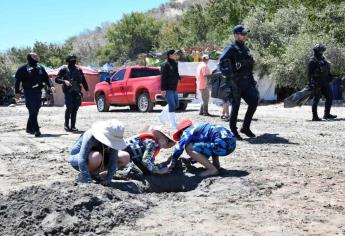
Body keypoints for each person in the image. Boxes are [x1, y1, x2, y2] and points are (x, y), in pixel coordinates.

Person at [219, 25, 259, 140]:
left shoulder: (246, 49)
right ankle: (233, 131)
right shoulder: (230, 48)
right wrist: (230, 79)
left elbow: (249, 66)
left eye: (246, 34)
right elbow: (222, 63)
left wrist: (252, 80)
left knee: (254, 101)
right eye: (243, 34)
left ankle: (245, 128)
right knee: (235, 106)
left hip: (247, 82)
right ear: (236, 35)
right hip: (235, 83)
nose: (245, 36)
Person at [167, 119, 236, 177]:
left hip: (223, 147)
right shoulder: (201, 127)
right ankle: (216, 165)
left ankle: (212, 170)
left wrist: (173, 159)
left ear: (182, 130)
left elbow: (179, 147)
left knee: (188, 148)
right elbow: (207, 149)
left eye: (180, 135)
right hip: (232, 144)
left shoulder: (188, 131)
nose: (180, 137)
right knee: (211, 143)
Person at [68, 119, 127, 185]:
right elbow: (82, 159)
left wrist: (108, 179)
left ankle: (96, 174)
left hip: (100, 159)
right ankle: (85, 175)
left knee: (125, 156)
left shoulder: (113, 136)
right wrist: (87, 181)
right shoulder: (91, 135)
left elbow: (113, 160)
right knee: (96, 156)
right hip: (78, 160)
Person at [14, 52, 55, 137]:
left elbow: (46, 78)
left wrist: (51, 86)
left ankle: (29, 128)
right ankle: (36, 130)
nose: (37, 57)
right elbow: (17, 81)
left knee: (36, 110)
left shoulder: (40, 68)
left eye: (37, 56)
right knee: (32, 110)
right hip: (28, 92)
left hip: (38, 92)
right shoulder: (23, 68)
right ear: (29, 57)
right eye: (34, 56)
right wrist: (17, 92)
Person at [55, 54, 89, 132]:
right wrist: (64, 81)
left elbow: (83, 80)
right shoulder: (64, 69)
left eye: (74, 59)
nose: (73, 60)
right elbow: (57, 79)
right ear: (68, 60)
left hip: (77, 91)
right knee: (69, 107)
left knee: (75, 109)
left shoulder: (79, 69)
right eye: (71, 59)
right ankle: (66, 125)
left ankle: (73, 126)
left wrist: (87, 90)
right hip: (68, 91)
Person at [308, 43, 337, 121]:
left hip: (325, 81)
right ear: (317, 51)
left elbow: (326, 69)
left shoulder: (323, 59)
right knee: (316, 99)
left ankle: (327, 114)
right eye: (321, 51)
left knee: (330, 97)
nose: (322, 52)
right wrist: (310, 83)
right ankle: (315, 117)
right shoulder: (312, 61)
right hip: (316, 82)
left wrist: (330, 76)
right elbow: (309, 73)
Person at [158, 49, 181, 129]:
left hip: (174, 87)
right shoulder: (165, 65)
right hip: (167, 88)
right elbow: (163, 77)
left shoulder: (175, 63)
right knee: (172, 104)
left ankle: (161, 116)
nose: (176, 55)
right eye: (174, 54)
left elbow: (176, 73)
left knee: (176, 104)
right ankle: (173, 124)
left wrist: (179, 78)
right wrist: (162, 89)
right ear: (170, 55)